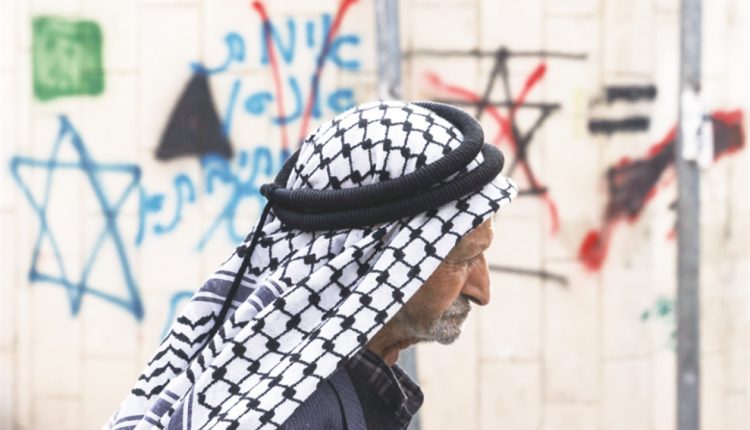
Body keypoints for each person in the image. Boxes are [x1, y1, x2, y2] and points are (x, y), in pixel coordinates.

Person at [106, 100, 517, 430]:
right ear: (374, 259)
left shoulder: (321, 389)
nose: (482, 291)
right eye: (464, 259)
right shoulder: (298, 414)